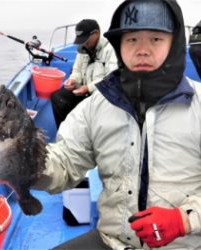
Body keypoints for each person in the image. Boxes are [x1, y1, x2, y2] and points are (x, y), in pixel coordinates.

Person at [34, 0, 201, 249]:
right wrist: (26, 163)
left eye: (156, 39)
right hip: (112, 242)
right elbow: (65, 162)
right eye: (132, 39)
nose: (142, 50)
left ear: (174, 43)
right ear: (120, 45)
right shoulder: (96, 106)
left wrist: (183, 220)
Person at [51, 19, 117, 128]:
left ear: (96, 34)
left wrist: (88, 88)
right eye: (81, 40)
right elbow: (76, 70)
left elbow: (112, 79)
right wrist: (73, 80)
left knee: (89, 109)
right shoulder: (82, 49)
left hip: (102, 96)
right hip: (84, 93)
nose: (84, 44)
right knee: (57, 97)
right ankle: (66, 132)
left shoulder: (111, 49)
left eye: (86, 40)